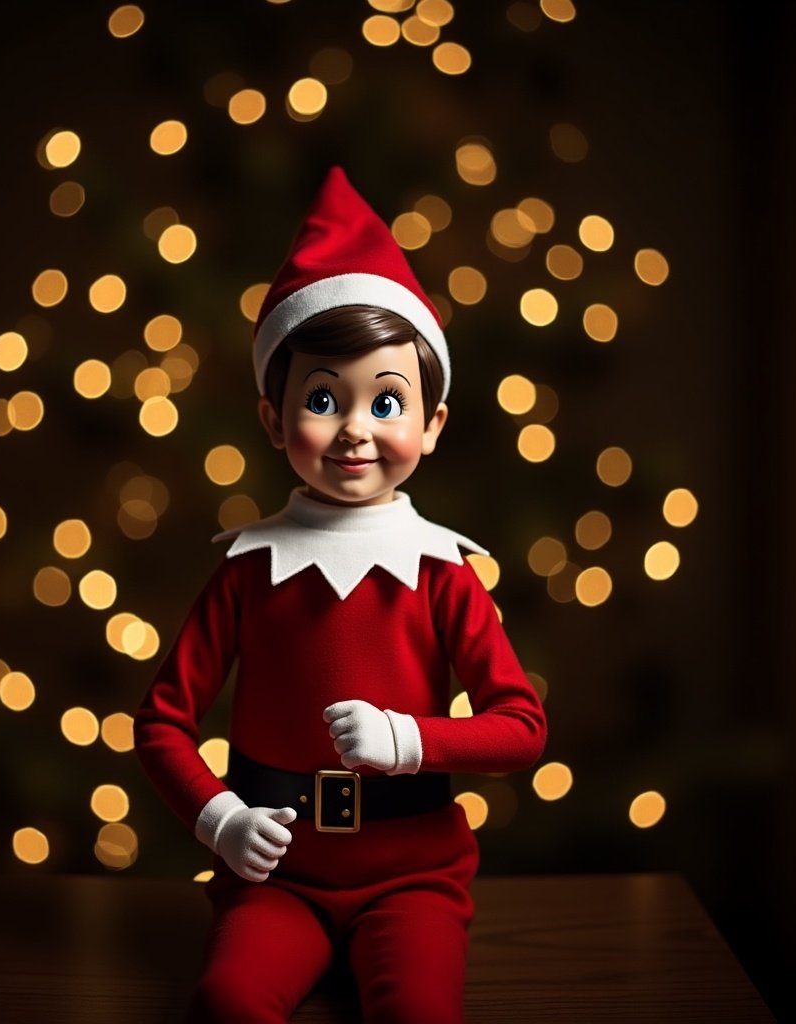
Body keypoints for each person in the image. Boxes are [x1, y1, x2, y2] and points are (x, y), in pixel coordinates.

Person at [135, 166, 547, 1023]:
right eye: (324, 398)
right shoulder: (249, 569)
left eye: (387, 400)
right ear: (274, 420)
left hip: (415, 878)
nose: (356, 427)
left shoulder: (443, 573)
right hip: (275, 879)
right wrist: (218, 819)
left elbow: (521, 728)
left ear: (431, 424)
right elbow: (163, 721)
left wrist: (408, 740)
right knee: (228, 1002)